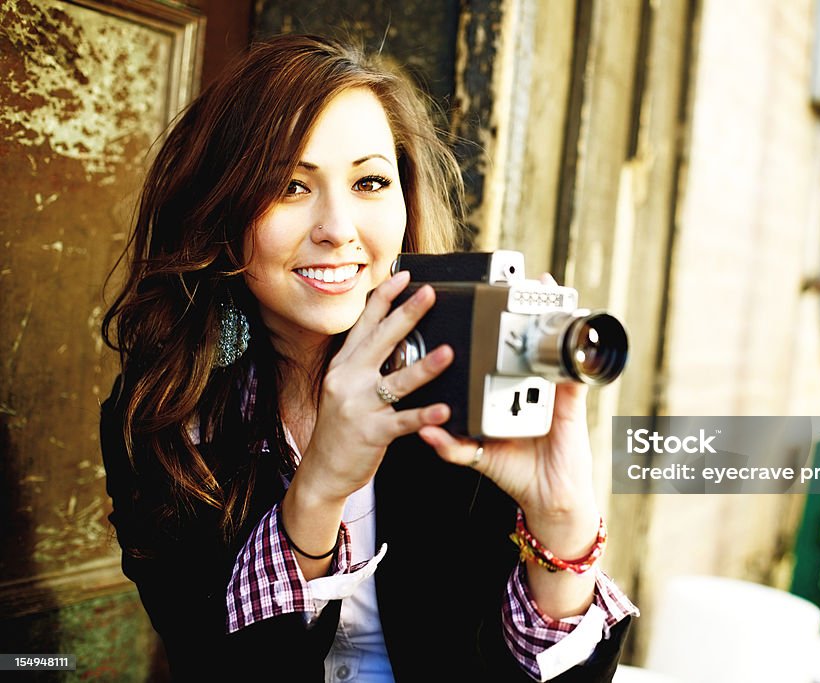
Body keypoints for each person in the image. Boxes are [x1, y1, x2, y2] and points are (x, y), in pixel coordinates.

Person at [100, 34, 636, 682]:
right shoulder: (167, 413)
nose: (338, 227)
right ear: (224, 209)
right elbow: (219, 664)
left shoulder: (463, 375)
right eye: (290, 185)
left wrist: (562, 526)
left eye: (370, 181)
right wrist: (320, 487)